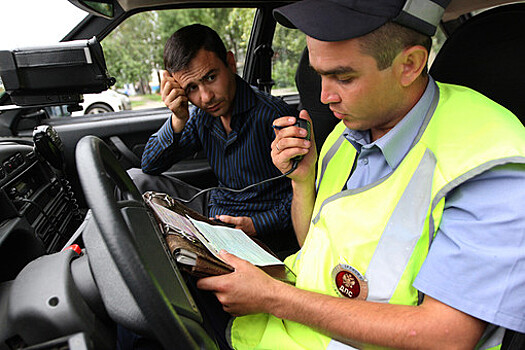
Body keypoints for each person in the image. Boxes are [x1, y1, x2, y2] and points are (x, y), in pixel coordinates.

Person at [196, 0, 525, 349]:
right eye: (319, 74)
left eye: (344, 77)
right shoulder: (349, 131)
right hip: (273, 329)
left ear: (409, 65)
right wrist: (303, 182)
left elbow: (446, 335)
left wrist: (272, 297)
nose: (325, 97)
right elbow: (316, 248)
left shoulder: (490, 160)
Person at [135, 24, 299, 253]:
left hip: (260, 233)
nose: (205, 97)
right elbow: (150, 165)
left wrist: (257, 224)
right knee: (137, 179)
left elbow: (304, 190)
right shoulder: (201, 117)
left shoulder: (273, 115)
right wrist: (178, 119)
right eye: (191, 88)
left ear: (230, 63)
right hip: (215, 213)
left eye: (211, 77)